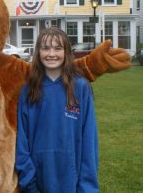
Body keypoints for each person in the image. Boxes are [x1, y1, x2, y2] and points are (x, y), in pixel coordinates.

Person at [15, 27, 99, 193]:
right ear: (38, 52)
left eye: (57, 48)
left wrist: (87, 187)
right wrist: (29, 182)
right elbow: (21, 142)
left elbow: (90, 141)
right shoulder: (28, 90)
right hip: (36, 181)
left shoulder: (80, 87)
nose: (51, 54)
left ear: (66, 52)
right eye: (45, 48)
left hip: (72, 181)